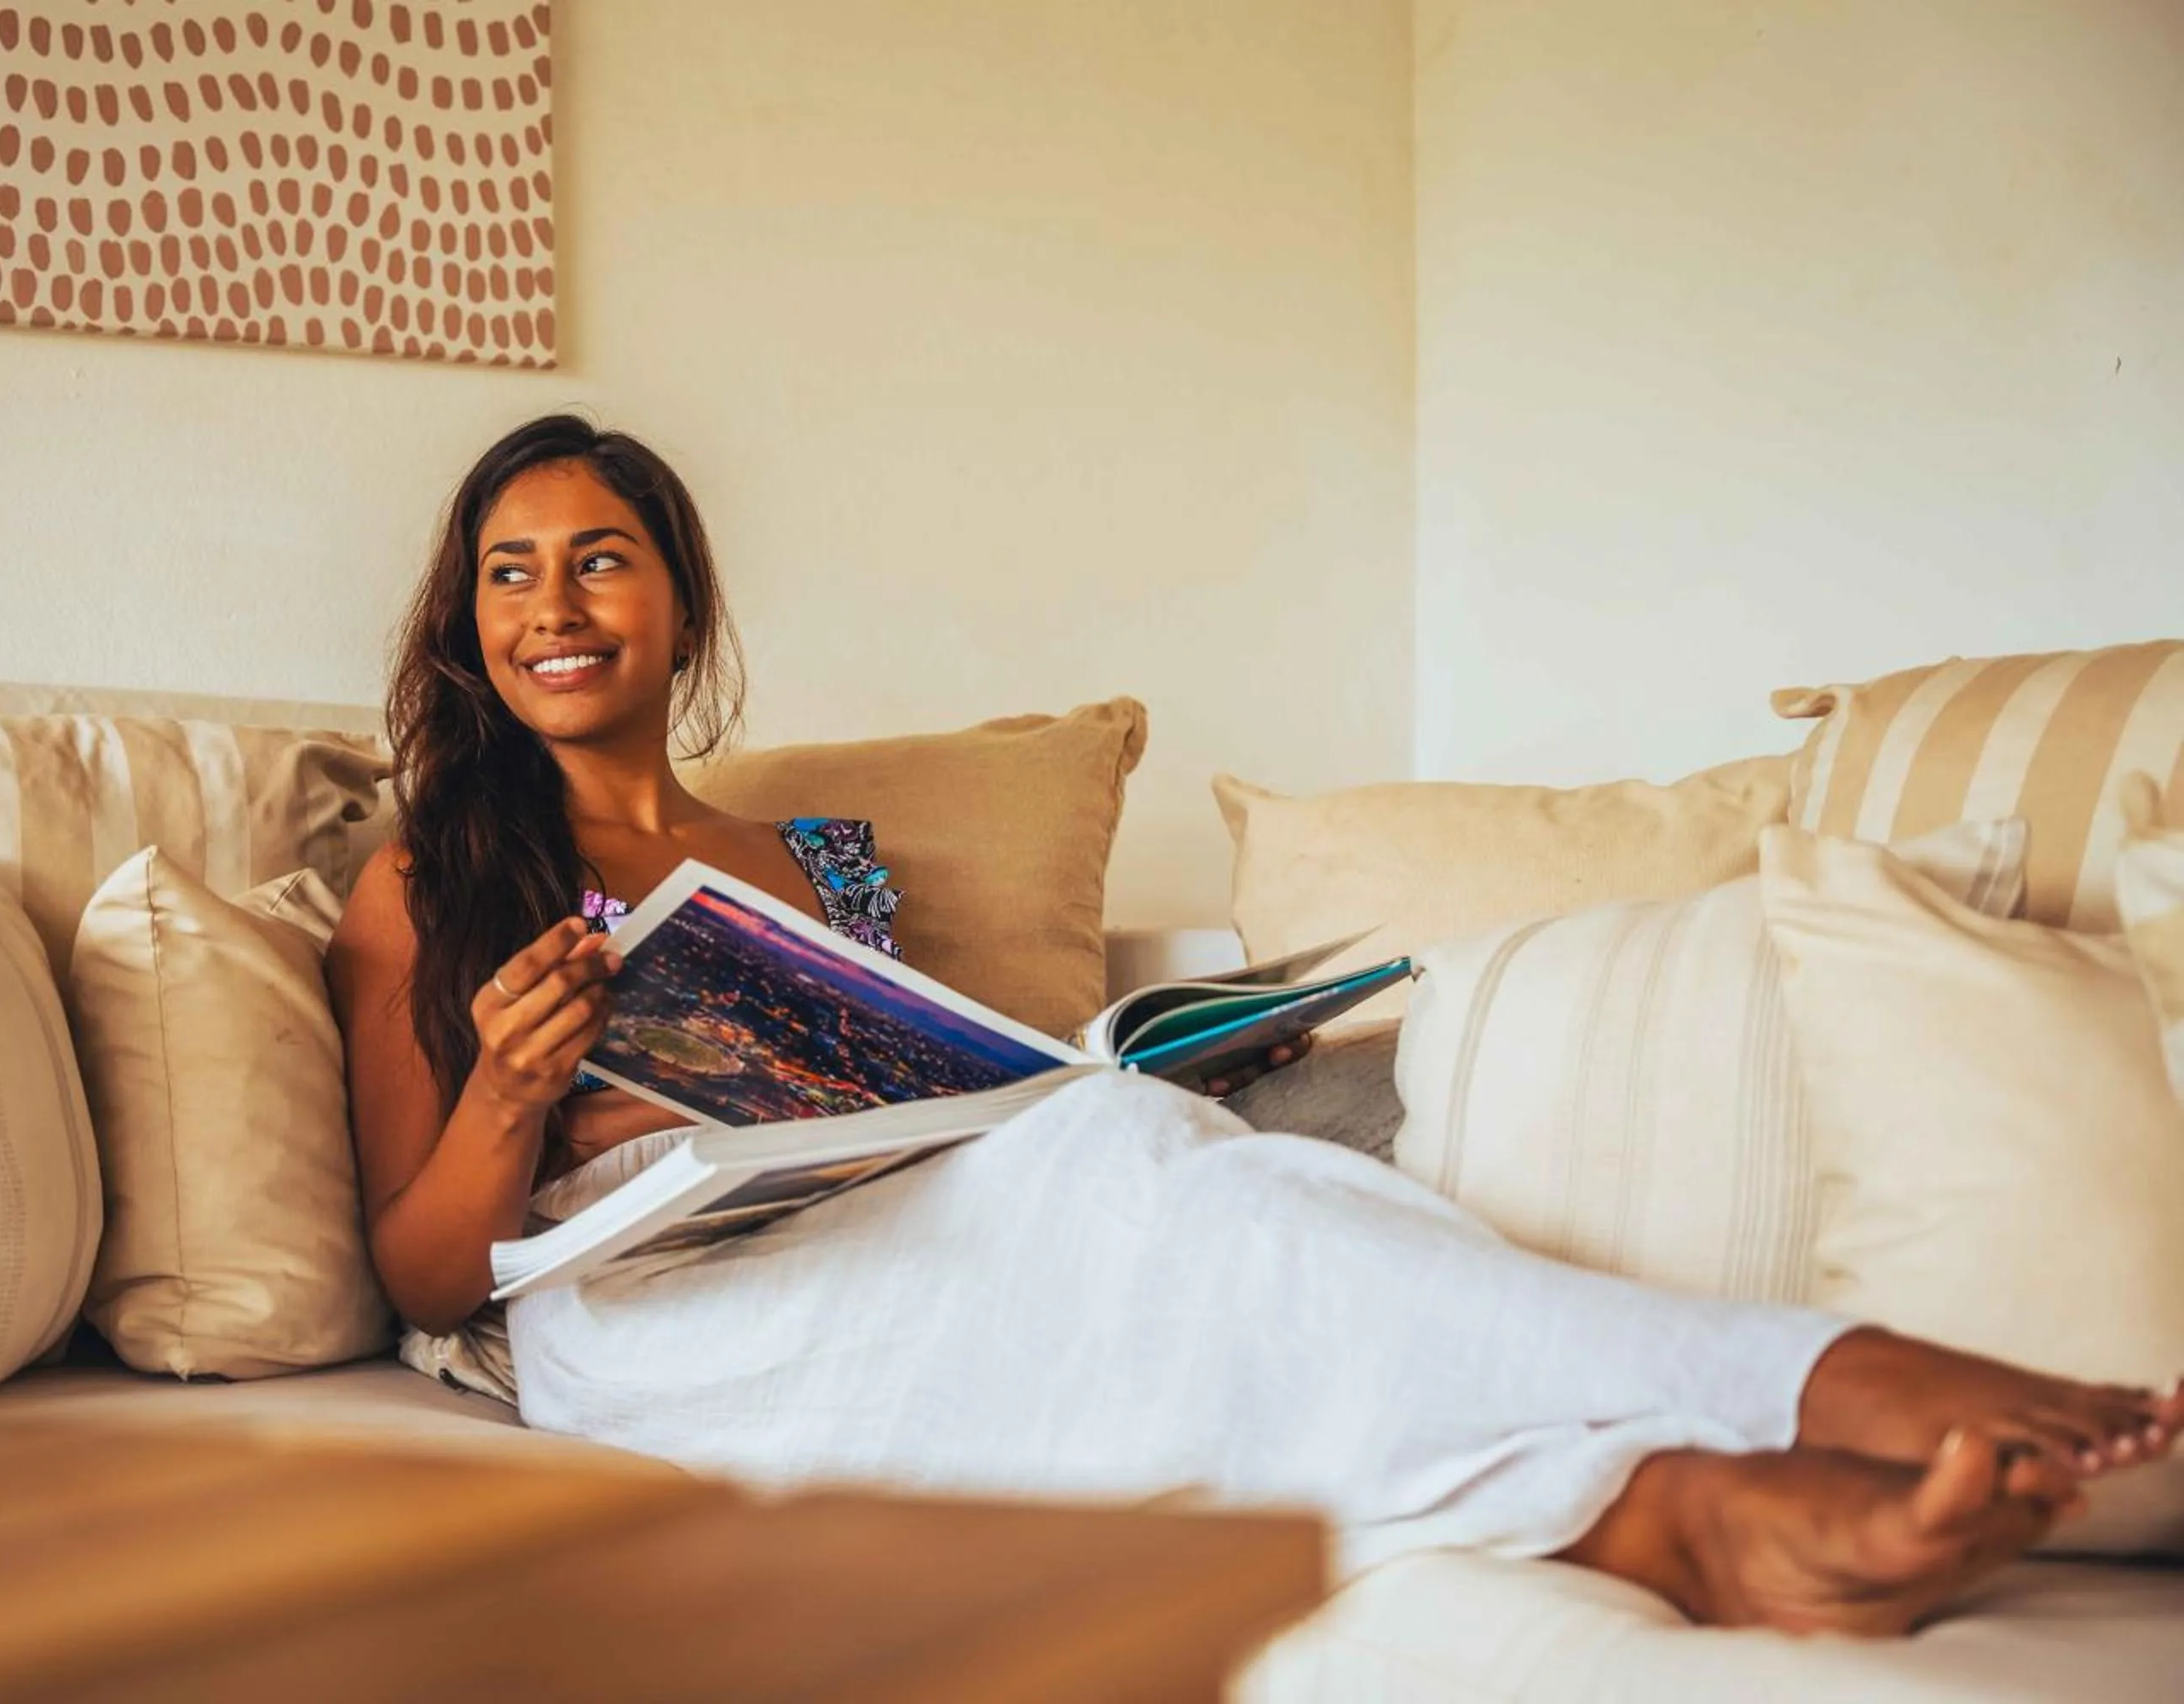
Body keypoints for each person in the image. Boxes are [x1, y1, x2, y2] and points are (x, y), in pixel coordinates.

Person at [329, 414, 2181, 1637]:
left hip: (881, 1207)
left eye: (599, 559)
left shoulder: (808, 864)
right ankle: (1812, 1374)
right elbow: (423, 1273)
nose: (555, 604)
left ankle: (1689, 1514)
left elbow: (922, 1092)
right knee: (1137, 1192)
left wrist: (1122, 1067)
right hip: (646, 1305)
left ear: (677, 600)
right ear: (466, 618)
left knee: (1147, 1150)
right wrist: (510, 1090)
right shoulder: (426, 878)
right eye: (512, 568)